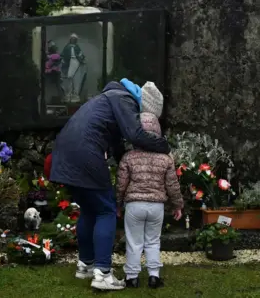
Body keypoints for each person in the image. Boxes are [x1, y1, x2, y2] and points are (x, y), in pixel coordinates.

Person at [49, 78, 171, 291]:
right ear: (145, 108)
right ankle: (103, 273)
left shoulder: (110, 98)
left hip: (64, 154)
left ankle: (85, 265)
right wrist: (164, 147)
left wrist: (130, 162)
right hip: (85, 154)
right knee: (106, 210)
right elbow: (135, 134)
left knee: (89, 210)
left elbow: (117, 145)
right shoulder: (124, 100)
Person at [116, 82, 183, 289]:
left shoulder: (128, 157)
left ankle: (132, 277)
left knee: (134, 242)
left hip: (134, 205)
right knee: (153, 241)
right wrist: (178, 205)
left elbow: (121, 184)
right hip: (157, 207)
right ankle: (154, 275)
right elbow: (172, 185)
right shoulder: (165, 158)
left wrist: (118, 203)